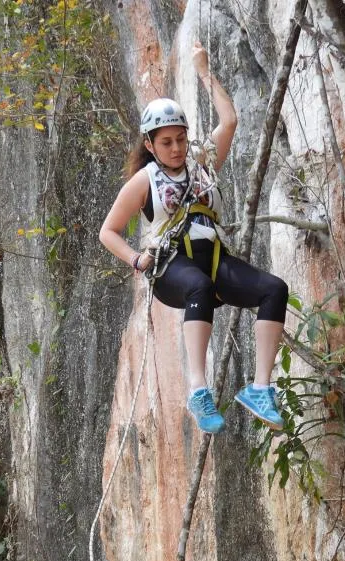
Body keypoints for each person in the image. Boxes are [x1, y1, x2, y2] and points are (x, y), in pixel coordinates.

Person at [99, 41, 288, 434]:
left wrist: (204, 72)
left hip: (213, 258)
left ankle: (260, 389)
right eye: (166, 142)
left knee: (274, 289)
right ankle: (199, 391)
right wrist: (136, 259)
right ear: (150, 145)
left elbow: (230, 120)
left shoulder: (202, 165)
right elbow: (108, 231)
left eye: (180, 139)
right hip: (172, 268)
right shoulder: (144, 181)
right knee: (198, 286)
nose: (176, 148)